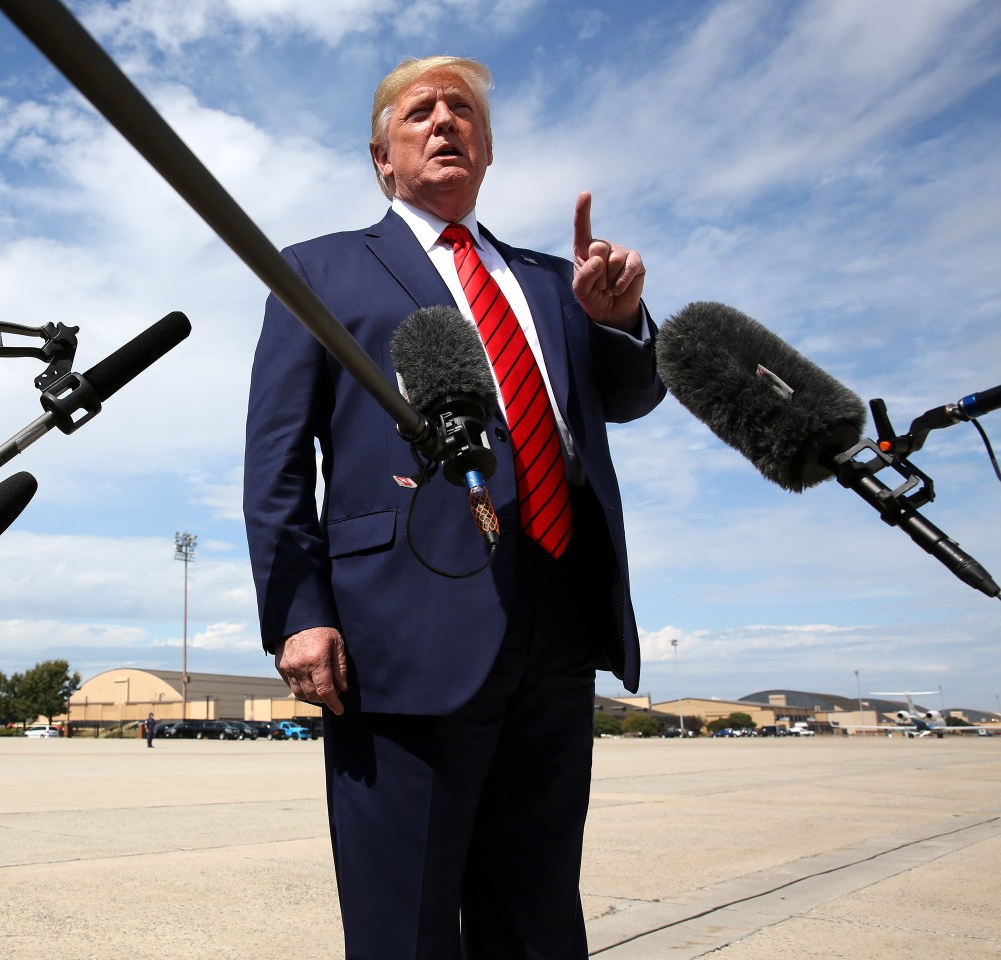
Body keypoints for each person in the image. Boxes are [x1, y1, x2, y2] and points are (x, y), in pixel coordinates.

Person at [242, 56, 665, 959]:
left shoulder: (556, 281)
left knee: (540, 917)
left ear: (486, 148)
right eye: (421, 111)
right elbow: (276, 460)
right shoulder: (319, 271)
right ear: (381, 157)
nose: (445, 122)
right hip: (399, 633)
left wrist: (621, 321)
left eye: (463, 110)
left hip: (557, 621)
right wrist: (298, 613)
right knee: (408, 928)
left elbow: (624, 400)